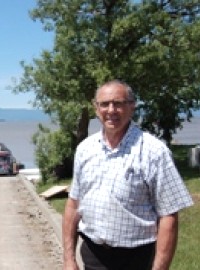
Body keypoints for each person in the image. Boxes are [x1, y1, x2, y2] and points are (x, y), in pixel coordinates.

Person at [63, 80, 193, 270]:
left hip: (136, 258)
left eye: (118, 103)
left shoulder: (154, 152)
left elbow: (169, 216)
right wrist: (68, 259)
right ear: (96, 108)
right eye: (105, 104)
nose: (111, 110)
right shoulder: (85, 149)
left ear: (132, 106)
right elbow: (74, 204)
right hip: (93, 255)